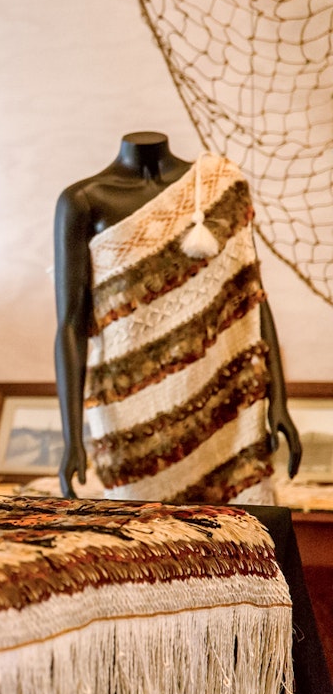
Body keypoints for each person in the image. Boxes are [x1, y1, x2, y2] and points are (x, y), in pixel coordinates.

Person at [53, 131, 300, 502]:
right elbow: (71, 325)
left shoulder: (218, 187)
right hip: (134, 417)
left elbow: (250, 295)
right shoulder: (84, 202)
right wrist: (72, 439)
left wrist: (278, 401)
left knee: (235, 541)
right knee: (146, 543)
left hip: (225, 400)